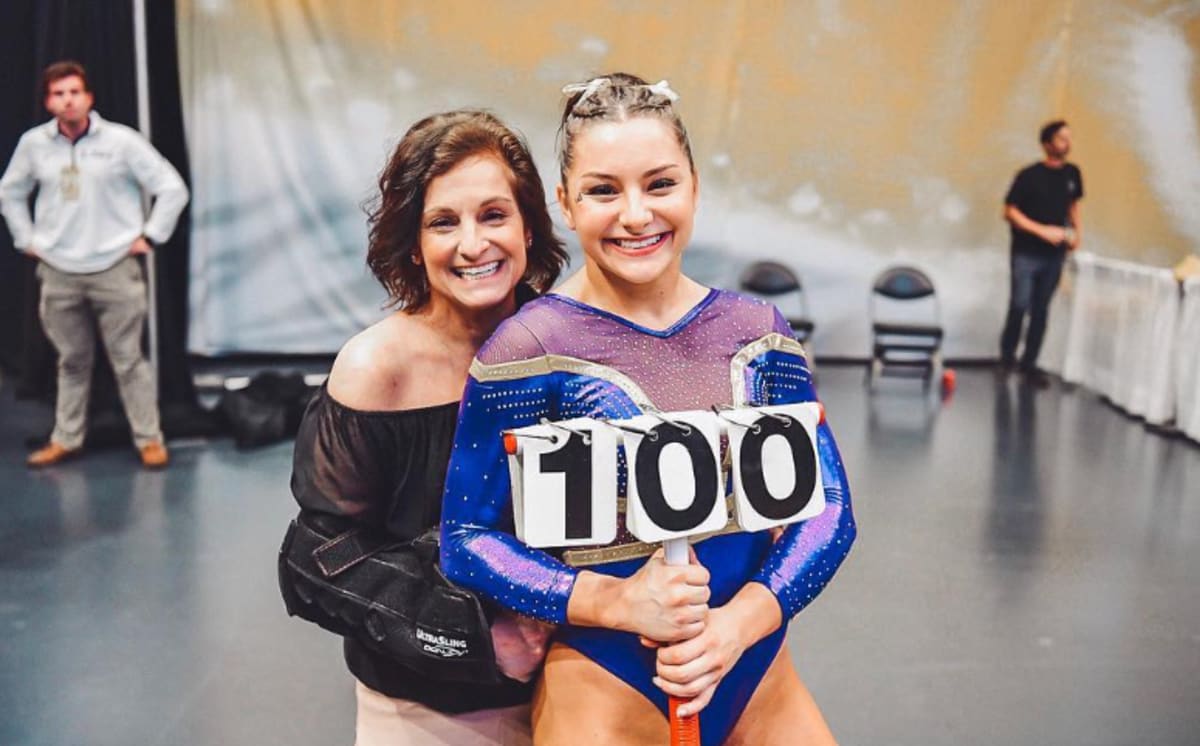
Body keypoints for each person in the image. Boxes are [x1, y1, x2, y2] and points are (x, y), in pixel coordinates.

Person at [441, 73, 856, 745]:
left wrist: (740, 624)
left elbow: (831, 508)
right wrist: (616, 601)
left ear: (694, 186)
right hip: (607, 688)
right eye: (604, 190)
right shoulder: (529, 348)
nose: (636, 215)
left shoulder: (760, 332)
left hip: (756, 678)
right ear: (567, 205)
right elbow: (467, 540)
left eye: (659, 184)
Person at [285, 110, 568, 745]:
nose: (474, 244)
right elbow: (320, 560)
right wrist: (477, 638)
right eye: (445, 222)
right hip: (437, 714)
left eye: (494, 215)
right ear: (413, 242)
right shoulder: (376, 366)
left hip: (583, 689)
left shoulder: (570, 346)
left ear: (528, 227)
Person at [0, 60, 188, 468]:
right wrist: (26, 239)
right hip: (59, 269)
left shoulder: (120, 142)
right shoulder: (35, 145)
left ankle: (149, 439)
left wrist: (151, 235)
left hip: (115, 267)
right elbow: (10, 192)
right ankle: (66, 438)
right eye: (58, 94)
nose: (67, 101)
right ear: (48, 101)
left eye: (74, 92)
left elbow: (171, 187)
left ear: (88, 97)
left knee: (129, 360)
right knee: (71, 360)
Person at [999, 119, 1084, 388]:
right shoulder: (1028, 176)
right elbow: (1010, 211)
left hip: (1054, 255)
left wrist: (1077, 234)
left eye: (1068, 138)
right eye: (1061, 138)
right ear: (1047, 144)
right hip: (1026, 251)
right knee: (1020, 304)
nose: (1066, 143)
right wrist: (1042, 231)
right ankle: (1007, 357)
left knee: (1041, 309)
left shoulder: (1072, 173)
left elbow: (1073, 206)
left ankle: (1030, 362)